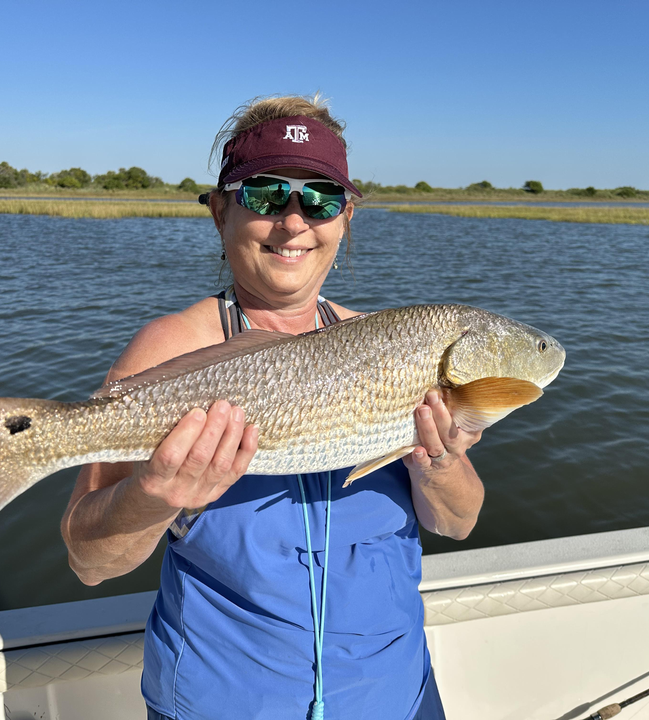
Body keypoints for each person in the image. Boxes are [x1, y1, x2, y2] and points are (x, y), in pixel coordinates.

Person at [61, 95, 485, 720]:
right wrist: (154, 495)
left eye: (320, 199)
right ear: (219, 211)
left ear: (345, 220)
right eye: (264, 195)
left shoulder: (391, 349)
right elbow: (88, 561)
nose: (293, 223)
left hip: (397, 695)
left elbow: (459, 522)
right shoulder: (170, 350)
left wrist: (439, 463)